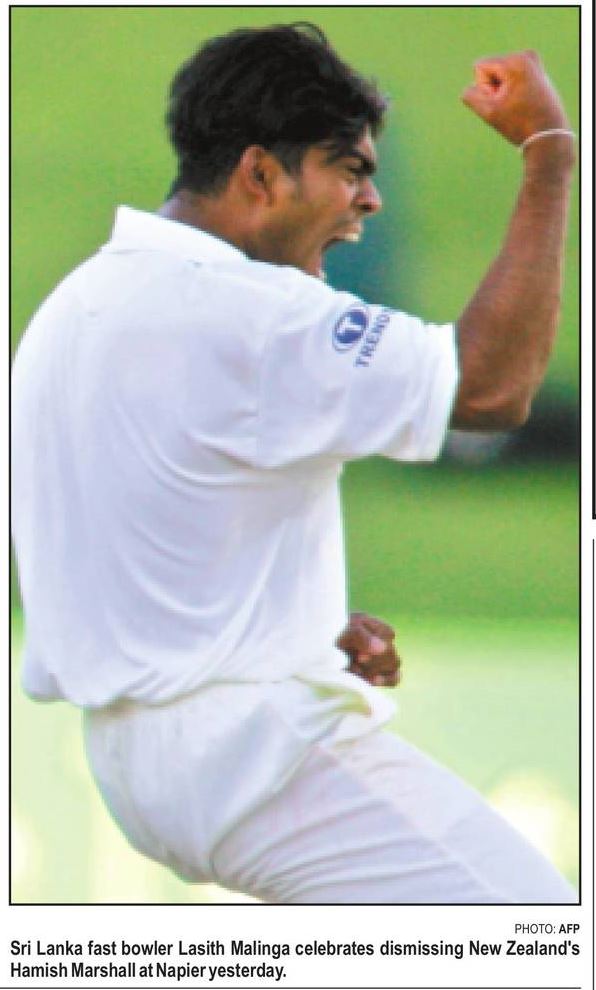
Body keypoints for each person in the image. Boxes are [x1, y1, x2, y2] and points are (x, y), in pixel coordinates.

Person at [11, 23, 577, 903]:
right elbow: (488, 390)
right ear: (260, 175)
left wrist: (291, 623)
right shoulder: (250, 312)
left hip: (134, 757)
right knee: (530, 930)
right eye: (348, 169)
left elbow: (140, 526)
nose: (370, 201)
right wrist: (549, 157)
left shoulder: (78, 302)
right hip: (254, 753)